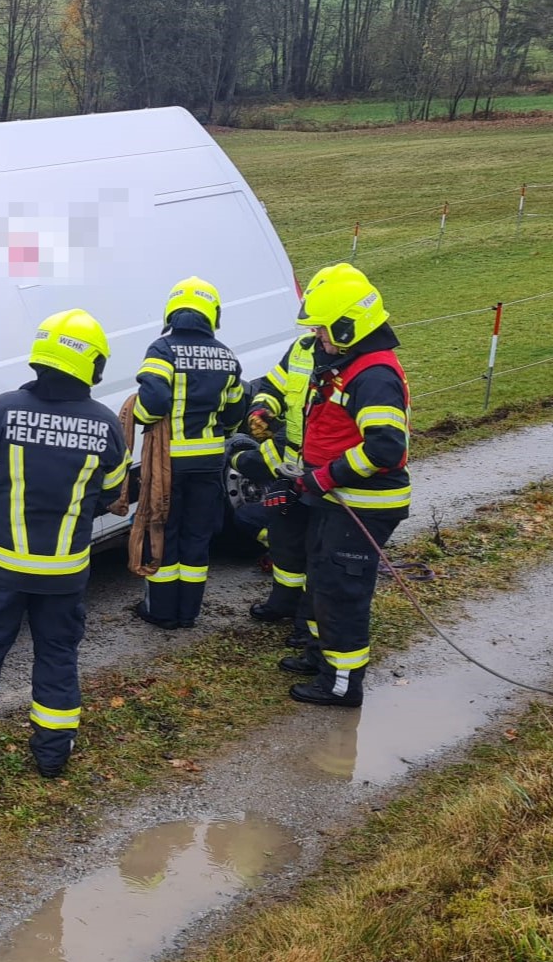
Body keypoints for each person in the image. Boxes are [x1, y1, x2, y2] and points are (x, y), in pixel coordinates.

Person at [0, 309, 128, 778]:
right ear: (93, 366)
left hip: (3, 567)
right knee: (58, 656)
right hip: (66, 573)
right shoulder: (106, 425)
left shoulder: (0, 410)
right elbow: (110, 495)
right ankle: (52, 753)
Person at [270, 264, 411, 707]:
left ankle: (342, 683)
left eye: (325, 331)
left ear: (350, 327)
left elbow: (385, 448)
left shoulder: (373, 377)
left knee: (341, 593)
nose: (320, 339)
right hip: (335, 500)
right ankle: (320, 656)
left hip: (361, 505)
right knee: (321, 579)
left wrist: (326, 475)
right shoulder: (347, 366)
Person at [131, 277, 247, 629]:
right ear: (212, 314)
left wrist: (138, 416)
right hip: (210, 461)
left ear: (172, 311)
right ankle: (188, 613)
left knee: (163, 532)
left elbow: (152, 403)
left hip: (169, 463)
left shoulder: (162, 350)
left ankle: (162, 612)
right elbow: (233, 413)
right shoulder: (227, 356)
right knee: (197, 536)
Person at [233, 329, 323, 646]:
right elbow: (273, 385)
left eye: (322, 326)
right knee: (285, 538)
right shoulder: (302, 348)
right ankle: (283, 602)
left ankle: (307, 622)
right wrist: (262, 409)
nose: (317, 333)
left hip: (325, 475)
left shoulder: (350, 364)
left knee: (318, 551)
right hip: (294, 470)